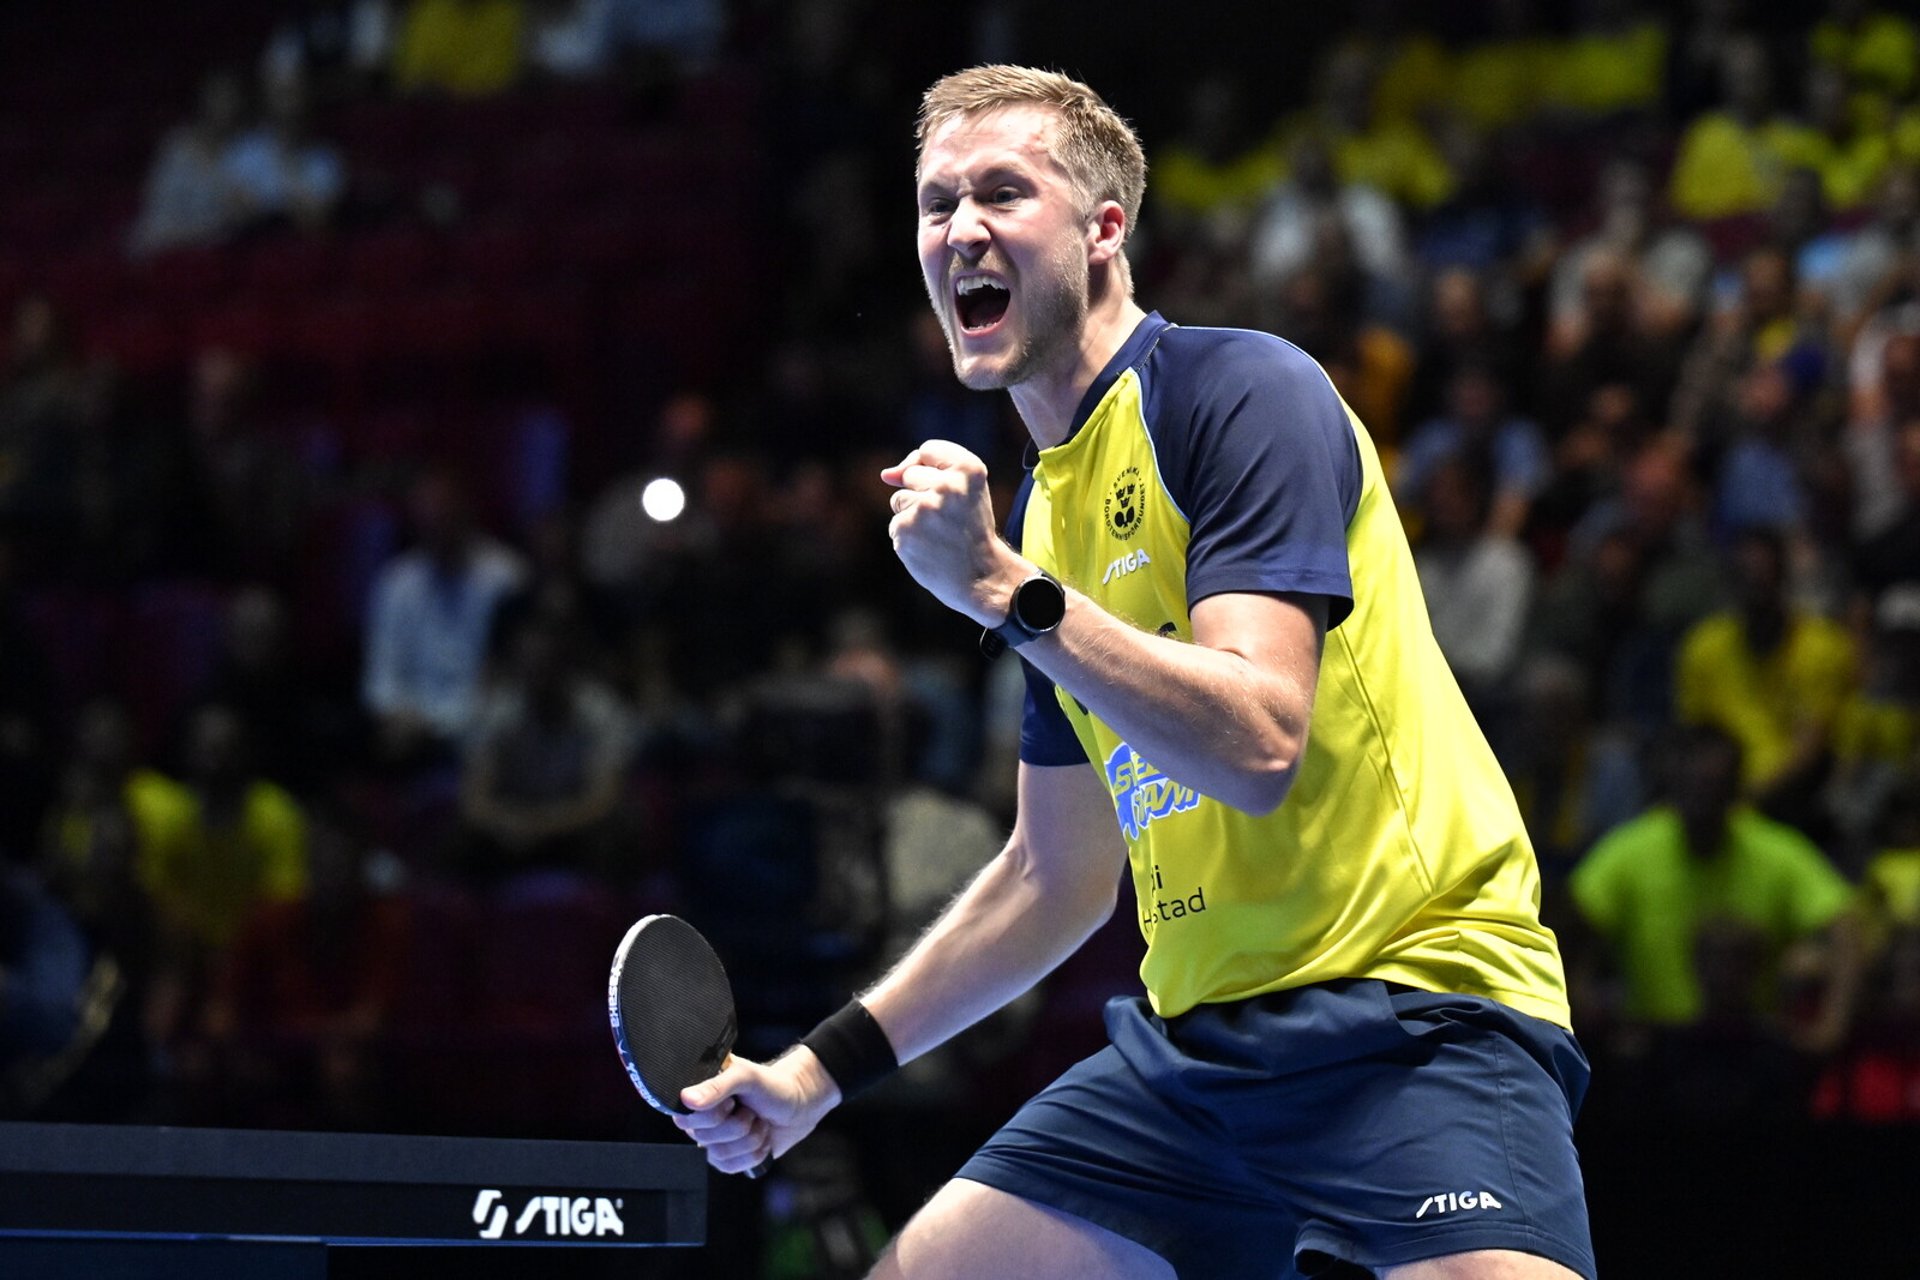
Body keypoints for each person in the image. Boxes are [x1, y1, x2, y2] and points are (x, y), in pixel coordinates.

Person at [674, 66, 1593, 1280]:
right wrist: (816, 1071)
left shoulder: (1239, 393)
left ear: (1107, 227)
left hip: (1413, 1018)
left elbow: (1261, 743)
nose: (962, 229)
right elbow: (1054, 873)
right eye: (936, 202)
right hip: (1202, 1064)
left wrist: (1003, 593)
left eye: (1003, 192)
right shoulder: (1051, 514)